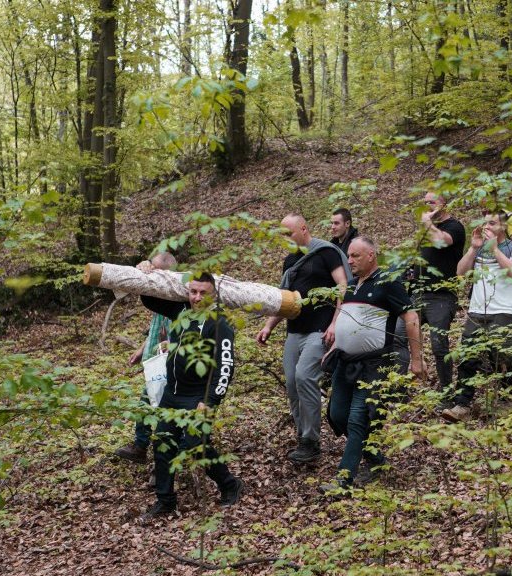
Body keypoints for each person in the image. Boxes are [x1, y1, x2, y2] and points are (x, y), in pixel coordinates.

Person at [322, 237, 425, 491]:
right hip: (345, 363)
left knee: (358, 418)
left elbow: (411, 317)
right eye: (348, 256)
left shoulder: (387, 282)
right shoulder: (351, 286)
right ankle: (374, 457)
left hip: (374, 364)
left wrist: (417, 359)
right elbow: (347, 321)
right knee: (337, 414)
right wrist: (334, 347)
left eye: (355, 256)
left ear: (371, 255)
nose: (350, 261)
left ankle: (344, 479)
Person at [138, 271, 243, 521]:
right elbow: (150, 300)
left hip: (198, 396)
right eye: (192, 292)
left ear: (213, 294)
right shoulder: (181, 312)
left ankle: (229, 484)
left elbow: (225, 365)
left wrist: (210, 401)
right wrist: (144, 275)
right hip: (171, 395)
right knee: (162, 445)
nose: (196, 298)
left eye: (202, 293)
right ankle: (165, 501)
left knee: (197, 447)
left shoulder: (219, 323)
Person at [255, 214, 348, 465]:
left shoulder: (326, 252)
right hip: (294, 331)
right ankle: (303, 439)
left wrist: (335, 323)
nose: (285, 239)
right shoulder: (290, 261)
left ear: (304, 228)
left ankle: (311, 441)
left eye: (289, 233)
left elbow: (343, 287)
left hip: (320, 330)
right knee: (292, 386)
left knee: (305, 377)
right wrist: (268, 326)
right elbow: (285, 300)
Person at [441, 213, 512, 422]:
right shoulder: (478, 249)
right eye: (485, 222)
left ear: (503, 227)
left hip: (504, 310)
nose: (487, 226)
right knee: (468, 357)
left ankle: (506, 401)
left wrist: (494, 248)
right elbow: (460, 272)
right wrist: (473, 247)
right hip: (477, 310)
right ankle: (463, 405)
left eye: (492, 223)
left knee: (503, 357)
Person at [395, 193, 465, 390]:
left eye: (431, 202)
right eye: (424, 203)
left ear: (444, 204)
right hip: (417, 293)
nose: (427, 206)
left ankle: (446, 390)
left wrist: (426, 221)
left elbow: (440, 242)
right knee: (398, 336)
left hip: (441, 295)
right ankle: (399, 390)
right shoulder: (425, 230)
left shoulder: (455, 227)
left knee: (438, 344)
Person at [113, 251, 177, 465]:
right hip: (155, 364)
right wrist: (142, 349)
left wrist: (169, 344)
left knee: (161, 412)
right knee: (144, 405)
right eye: (152, 268)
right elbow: (155, 328)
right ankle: (140, 447)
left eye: (157, 270)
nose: (153, 275)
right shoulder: (157, 297)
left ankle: (161, 459)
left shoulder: (176, 297)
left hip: (172, 367)